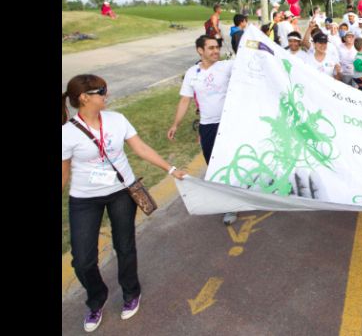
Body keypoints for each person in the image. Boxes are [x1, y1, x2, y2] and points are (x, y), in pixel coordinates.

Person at [63, 75, 188, 332]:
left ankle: (131, 292)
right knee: (83, 260)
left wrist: (171, 168)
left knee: (125, 246)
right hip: (84, 199)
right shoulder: (66, 134)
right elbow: (64, 174)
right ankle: (96, 299)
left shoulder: (117, 120)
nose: (106, 95)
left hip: (122, 191)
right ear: (85, 98)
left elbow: (141, 149)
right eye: (102, 91)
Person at [168, 35, 236, 225]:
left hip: (229, 123)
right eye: (211, 48)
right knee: (214, 166)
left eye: (217, 48)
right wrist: (176, 124)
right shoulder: (192, 73)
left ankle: (232, 205)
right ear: (200, 50)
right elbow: (185, 100)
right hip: (207, 126)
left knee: (230, 162)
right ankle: (229, 199)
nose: (216, 51)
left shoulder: (227, 66)